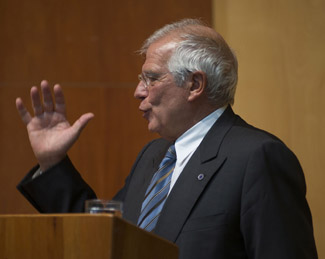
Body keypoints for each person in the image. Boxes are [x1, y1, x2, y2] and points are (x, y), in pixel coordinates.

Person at [15, 19, 318, 259]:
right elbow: (107, 239)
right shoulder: (154, 156)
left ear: (194, 84)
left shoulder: (258, 157)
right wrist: (52, 162)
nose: (139, 91)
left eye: (151, 77)